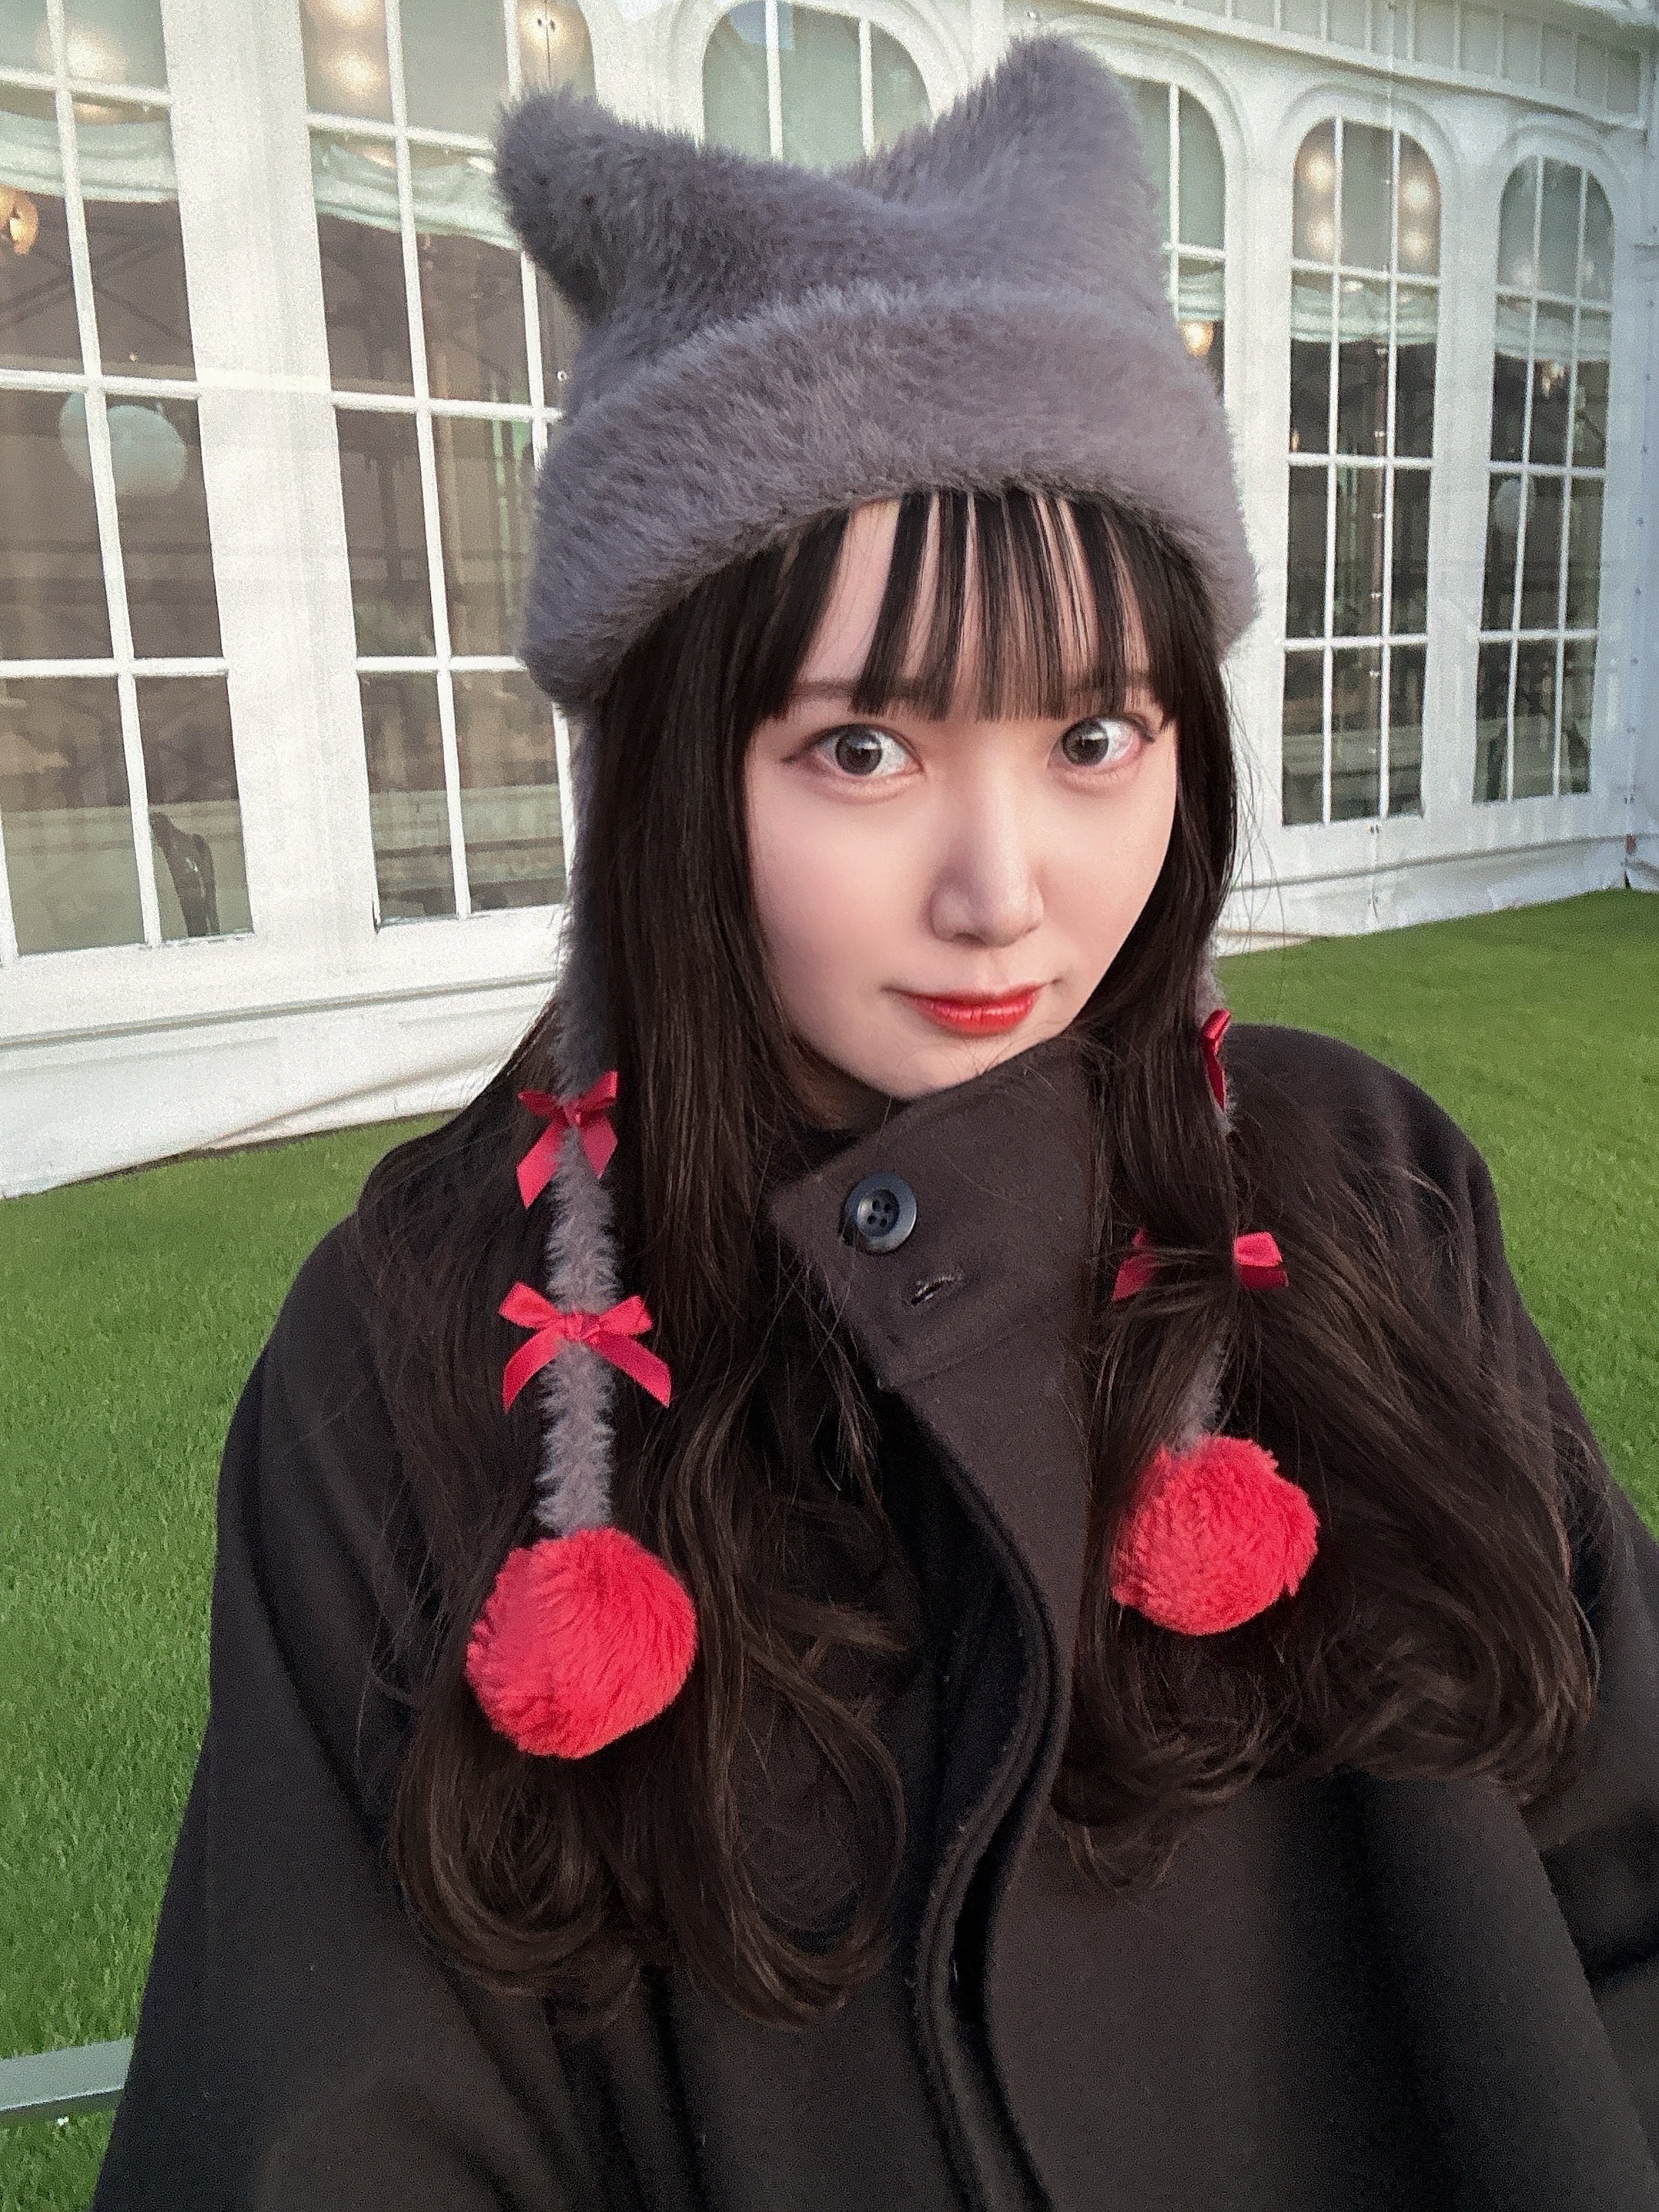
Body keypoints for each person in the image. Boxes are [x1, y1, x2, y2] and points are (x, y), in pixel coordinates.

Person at [93, 38, 1659, 2212]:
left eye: (1095, 735)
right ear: (667, 762)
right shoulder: (414, 1352)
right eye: (862, 749)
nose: (1006, 891)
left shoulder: (1359, 1188)